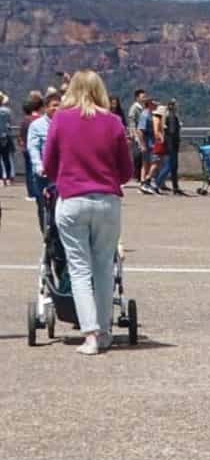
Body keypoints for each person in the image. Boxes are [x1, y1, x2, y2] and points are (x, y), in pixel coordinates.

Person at [43, 70, 134, 355]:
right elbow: (127, 171)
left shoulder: (60, 119)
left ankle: (91, 334)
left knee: (79, 269)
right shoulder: (113, 122)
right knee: (104, 267)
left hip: (71, 199)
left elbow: (48, 164)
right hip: (107, 200)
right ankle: (105, 331)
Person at [27, 92, 61, 233]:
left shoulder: (65, 124)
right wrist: (39, 166)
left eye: (59, 106)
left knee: (61, 208)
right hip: (44, 176)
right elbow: (33, 148)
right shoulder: (37, 126)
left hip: (62, 173)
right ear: (46, 108)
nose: (57, 109)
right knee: (44, 207)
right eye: (54, 106)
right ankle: (47, 238)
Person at [155, 99, 184, 195]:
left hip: (169, 143)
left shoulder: (167, 116)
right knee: (171, 165)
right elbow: (172, 132)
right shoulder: (171, 117)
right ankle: (157, 184)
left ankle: (175, 186)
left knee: (172, 166)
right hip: (172, 144)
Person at [19, 94, 43, 202]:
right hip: (36, 148)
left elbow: (21, 135)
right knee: (36, 171)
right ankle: (38, 191)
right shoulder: (39, 120)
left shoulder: (24, 120)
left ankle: (31, 193)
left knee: (28, 171)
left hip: (25, 148)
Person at [127, 89, 146, 182]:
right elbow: (132, 121)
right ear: (137, 98)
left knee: (142, 155)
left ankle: (140, 175)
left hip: (143, 133)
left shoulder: (143, 107)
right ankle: (136, 175)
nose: (144, 98)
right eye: (142, 97)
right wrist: (133, 134)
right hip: (137, 134)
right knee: (137, 155)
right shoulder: (134, 108)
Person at [0, 92, 14, 187]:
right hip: (6, 136)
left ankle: (0, 178)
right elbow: (9, 123)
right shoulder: (7, 111)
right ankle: (8, 178)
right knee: (6, 158)